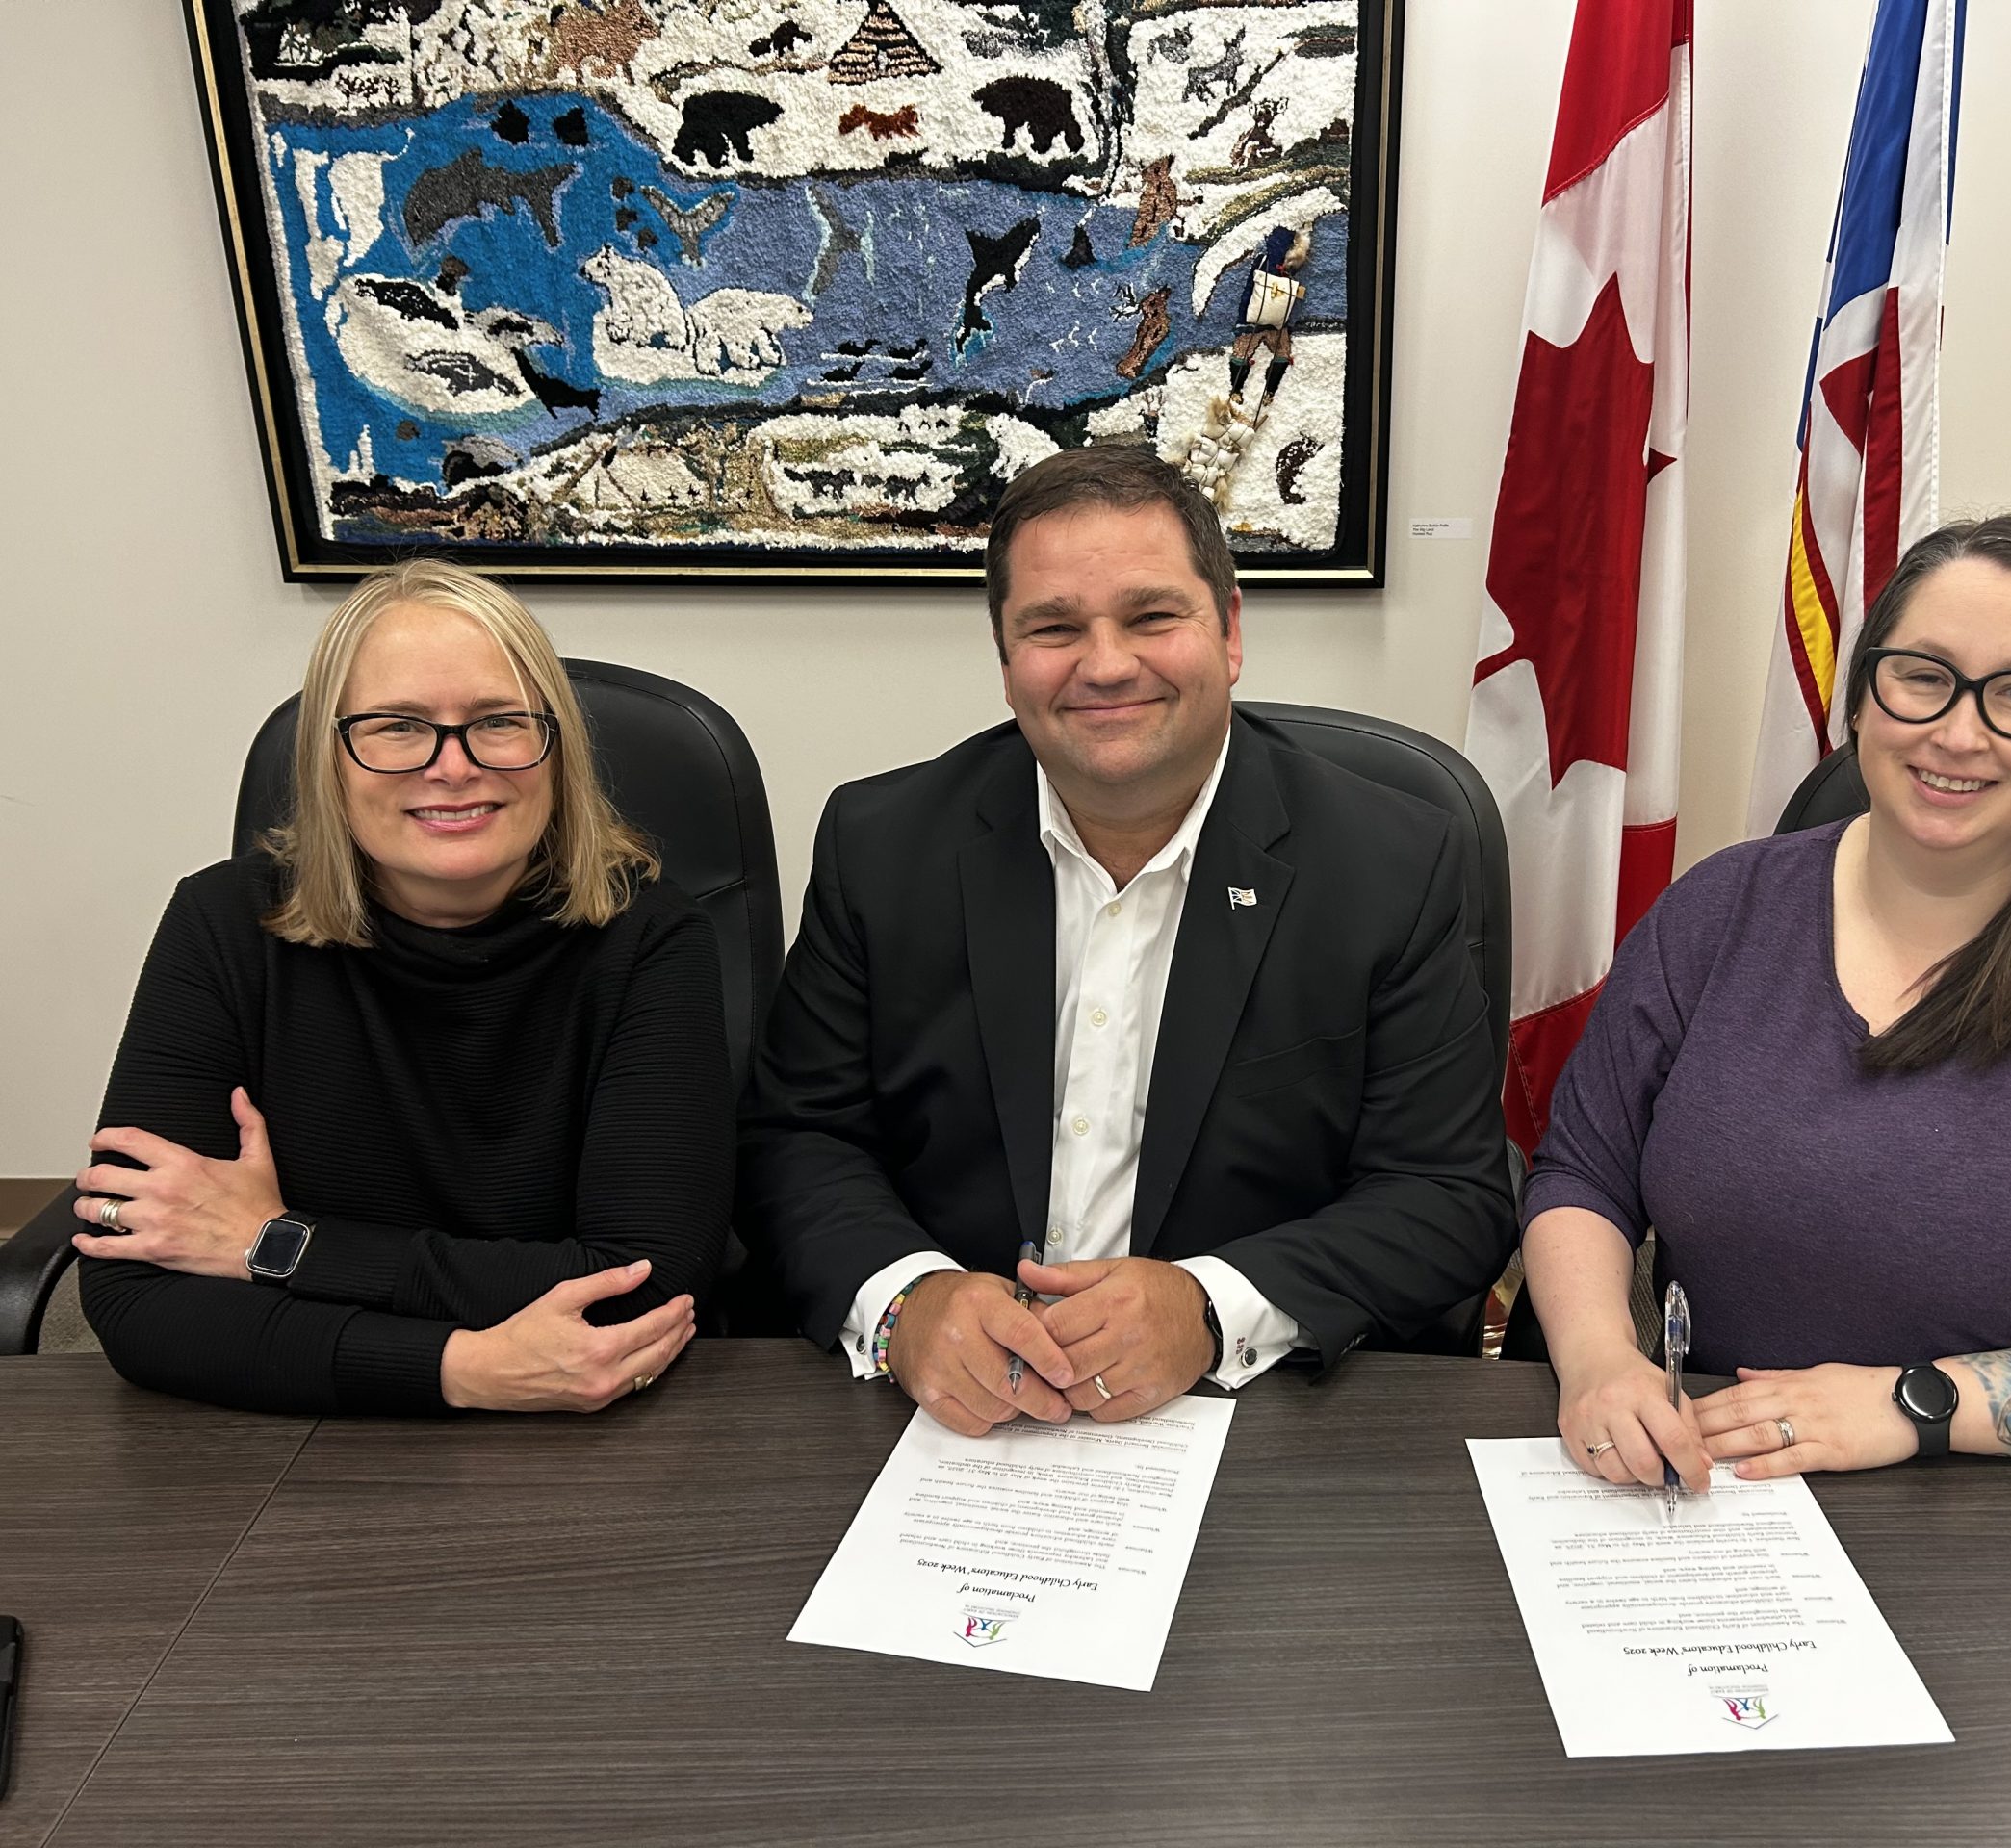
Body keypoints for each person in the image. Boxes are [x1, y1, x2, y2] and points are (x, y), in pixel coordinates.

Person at [738, 446, 1514, 1434]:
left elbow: (1445, 1193)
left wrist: (1208, 1306)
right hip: (952, 1421)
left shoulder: (1393, 861)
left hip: (1262, 1416)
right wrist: (907, 1303)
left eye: (1152, 616)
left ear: (1229, 632)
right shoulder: (883, 844)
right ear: (1007, 658)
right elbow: (799, 1140)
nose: (1105, 665)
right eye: (1054, 628)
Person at [1521, 514, 2011, 1489]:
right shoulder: (1719, 910)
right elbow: (1581, 1176)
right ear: (1863, 694)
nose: (1957, 732)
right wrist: (1599, 1359)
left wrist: (1911, 1403)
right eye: (1922, 676)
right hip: (1729, 1493)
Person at [73, 560, 730, 1417]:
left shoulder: (651, 936)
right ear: (330, 758)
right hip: (306, 1438)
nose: (453, 767)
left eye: (498, 721)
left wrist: (276, 1247)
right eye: (396, 727)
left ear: (556, 745)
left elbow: (642, 1285)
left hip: (605, 1432)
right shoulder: (221, 923)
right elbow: (133, 1301)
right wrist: (457, 1369)